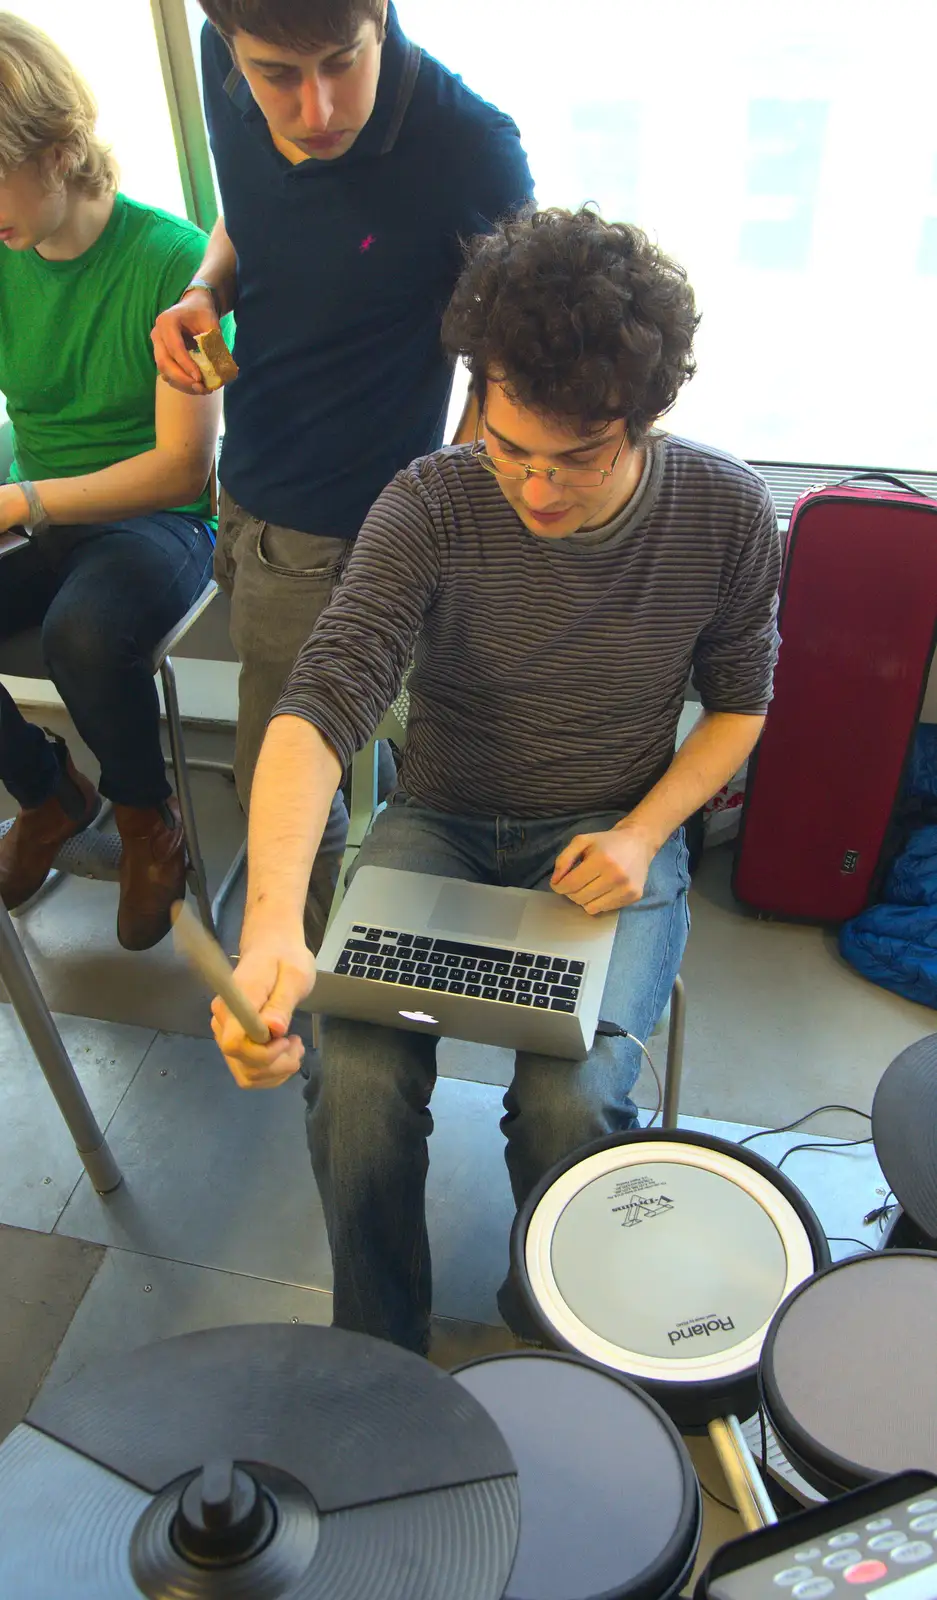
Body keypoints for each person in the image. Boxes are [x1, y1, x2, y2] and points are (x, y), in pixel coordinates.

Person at [212, 207, 782, 1356]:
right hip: (444, 819)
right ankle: (380, 1355)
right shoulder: (430, 500)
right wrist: (274, 917)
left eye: (579, 457)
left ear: (649, 415)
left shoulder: (724, 513)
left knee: (567, 1102)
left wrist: (643, 834)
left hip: (608, 829)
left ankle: (571, 1332)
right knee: (358, 1077)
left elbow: (739, 707)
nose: (535, 489)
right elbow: (319, 705)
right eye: (511, 445)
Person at [150, 0, 533, 949]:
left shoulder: (471, 148)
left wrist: (433, 517)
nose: (315, 108)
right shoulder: (220, 53)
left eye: (341, 62)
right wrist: (206, 290)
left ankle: (301, 1006)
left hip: (339, 531)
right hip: (243, 492)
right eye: (279, 74)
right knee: (311, 760)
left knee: (281, 788)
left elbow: (508, 365)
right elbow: (247, 213)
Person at [0, 14, 226, 949]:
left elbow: (187, 467)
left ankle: (145, 819)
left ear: (59, 154)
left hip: (159, 519)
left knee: (85, 634)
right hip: (40, 511)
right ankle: (52, 792)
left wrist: (24, 501)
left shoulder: (178, 262)